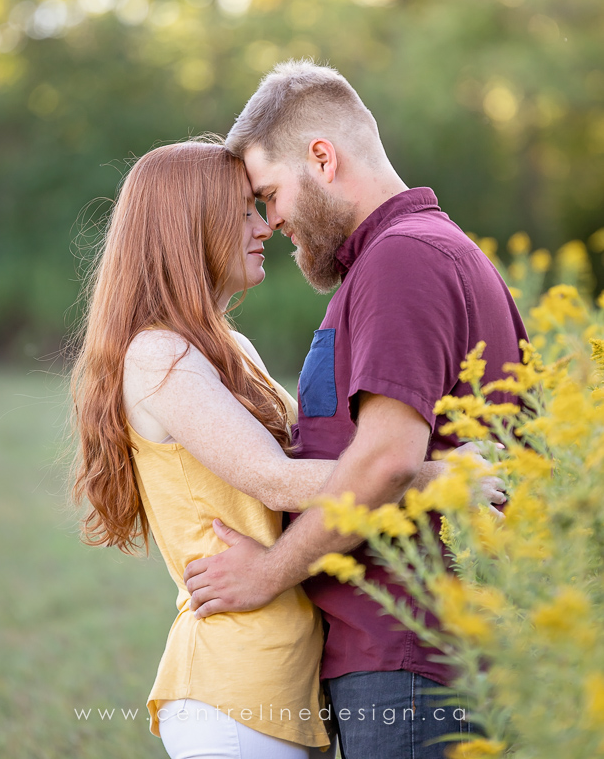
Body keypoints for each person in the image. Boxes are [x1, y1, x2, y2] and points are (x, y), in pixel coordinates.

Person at [69, 139, 505, 759]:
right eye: (244, 211)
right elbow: (276, 478)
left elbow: (328, 456)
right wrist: (431, 474)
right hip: (230, 683)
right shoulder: (157, 354)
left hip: (284, 677)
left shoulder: (230, 349)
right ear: (189, 227)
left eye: (261, 206)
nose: (264, 226)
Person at [182, 62, 527, 759]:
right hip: (435, 658)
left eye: (269, 194)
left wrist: (268, 572)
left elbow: (385, 459)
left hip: (407, 660)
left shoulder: (399, 261)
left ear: (322, 158)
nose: (269, 220)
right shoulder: (442, 251)